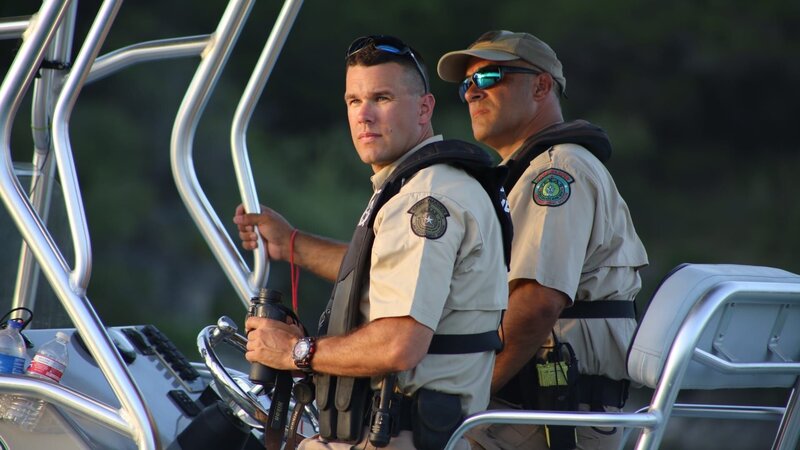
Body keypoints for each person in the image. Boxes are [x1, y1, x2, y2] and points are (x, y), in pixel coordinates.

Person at [234, 34, 512, 450]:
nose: (363, 115)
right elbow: (382, 273)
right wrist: (290, 243)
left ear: (424, 108)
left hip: (397, 437)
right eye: (354, 100)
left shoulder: (423, 200)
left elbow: (400, 344)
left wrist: (295, 351)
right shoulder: (425, 185)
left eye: (381, 98)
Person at [437, 30, 649, 450]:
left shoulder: (556, 172)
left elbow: (537, 303)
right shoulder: (525, 175)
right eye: (466, 85)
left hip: (543, 418)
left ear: (541, 86)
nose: (471, 93)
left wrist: (464, 400)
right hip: (525, 411)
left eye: (489, 77)